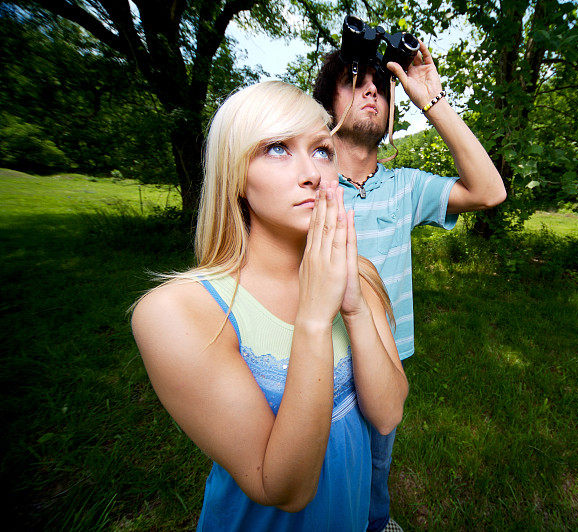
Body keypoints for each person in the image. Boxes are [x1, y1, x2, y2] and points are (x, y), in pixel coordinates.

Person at [131, 80, 408, 531]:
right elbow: (285, 490)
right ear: (234, 175)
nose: (313, 174)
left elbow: (388, 413)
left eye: (322, 150)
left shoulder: (359, 273)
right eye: (277, 148)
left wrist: (354, 310)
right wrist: (315, 319)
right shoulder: (177, 312)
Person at [313, 40, 507, 531]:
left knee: (378, 465)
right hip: (315, 358)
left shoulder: (405, 186)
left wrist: (431, 100)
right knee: (317, 472)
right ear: (327, 105)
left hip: (386, 359)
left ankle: (376, 525)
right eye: (355, 83)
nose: (372, 92)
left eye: (380, 87)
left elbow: (490, 190)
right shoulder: (304, 182)